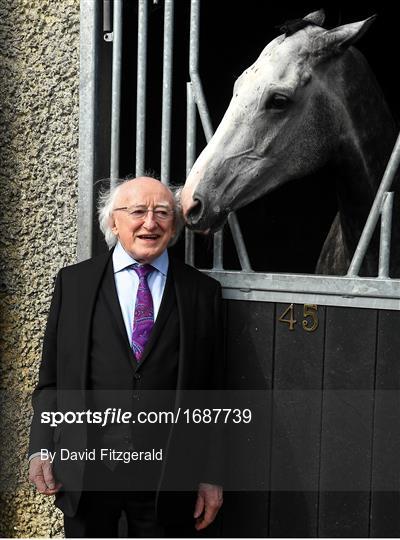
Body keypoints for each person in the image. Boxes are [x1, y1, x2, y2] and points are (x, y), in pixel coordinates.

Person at [28, 177, 224, 537]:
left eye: (162, 213)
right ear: (113, 222)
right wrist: (40, 448)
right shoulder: (74, 284)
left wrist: (211, 474)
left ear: (175, 225)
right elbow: (51, 379)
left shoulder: (202, 294)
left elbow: (212, 392)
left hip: (169, 477)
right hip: (87, 470)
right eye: (137, 212)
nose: (150, 223)